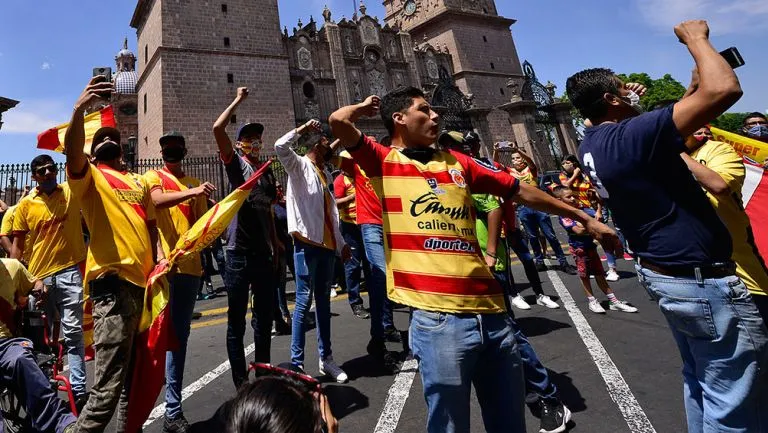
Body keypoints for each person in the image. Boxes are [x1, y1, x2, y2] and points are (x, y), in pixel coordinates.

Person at [329, 87, 618, 433]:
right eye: (424, 110)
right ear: (399, 119)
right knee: (450, 425)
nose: (435, 115)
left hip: (492, 312)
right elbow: (338, 121)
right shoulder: (382, 161)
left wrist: (583, 217)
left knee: (509, 422)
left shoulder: (459, 162)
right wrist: (363, 106)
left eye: (435, 109)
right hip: (439, 319)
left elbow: (519, 190)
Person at [566, 19, 767, 432]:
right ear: (610, 99)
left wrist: (688, 89)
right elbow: (724, 90)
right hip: (703, 283)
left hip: (666, 274)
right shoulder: (634, 135)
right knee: (735, 403)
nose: (631, 91)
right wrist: (696, 39)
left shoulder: (593, 143)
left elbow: (662, 122)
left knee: (701, 381)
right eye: (623, 88)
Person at [64, 76, 165, 432]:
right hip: (113, 287)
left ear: (123, 149)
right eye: (101, 140)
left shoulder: (138, 183)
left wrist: (161, 255)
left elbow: (152, 229)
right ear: (93, 152)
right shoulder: (89, 177)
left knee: (135, 385)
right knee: (106, 391)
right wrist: (79, 110)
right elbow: (72, 153)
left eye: (113, 140)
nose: (108, 142)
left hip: (145, 289)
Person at [142, 131, 215, 432]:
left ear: (184, 150)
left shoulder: (196, 185)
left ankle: (173, 410)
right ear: (161, 152)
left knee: (179, 339)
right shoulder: (151, 177)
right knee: (154, 339)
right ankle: (141, 403)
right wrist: (193, 194)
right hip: (161, 269)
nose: (171, 151)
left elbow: (202, 226)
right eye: (167, 147)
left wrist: (214, 206)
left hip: (189, 269)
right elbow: (157, 202)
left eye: (175, 147)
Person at [440, 131, 560, 310]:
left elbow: (511, 187)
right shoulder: (460, 169)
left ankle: (540, 293)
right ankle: (514, 294)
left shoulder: (489, 164)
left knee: (527, 259)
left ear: (478, 145)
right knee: (503, 265)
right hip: (489, 225)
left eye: (473, 144)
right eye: (467, 144)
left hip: (508, 221)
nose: (470, 147)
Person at [213, 87, 280, 389]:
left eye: (257, 137)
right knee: (236, 322)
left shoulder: (266, 172)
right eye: (248, 138)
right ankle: (241, 382)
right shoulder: (238, 167)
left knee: (264, 318)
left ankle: (263, 373)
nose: (254, 141)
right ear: (239, 144)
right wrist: (238, 100)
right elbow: (217, 129)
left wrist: (276, 245)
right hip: (237, 253)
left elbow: (267, 211)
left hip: (263, 254)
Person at [274, 119, 350, 383]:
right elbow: (279, 145)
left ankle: (326, 359)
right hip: (306, 243)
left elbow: (331, 215)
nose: (332, 146)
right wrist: (302, 129)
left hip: (327, 247)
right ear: (318, 144)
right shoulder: (298, 166)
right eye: (328, 142)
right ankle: (296, 363)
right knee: (304, 302)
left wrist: (341, 245)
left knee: (323, 303)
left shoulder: (325, 173)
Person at [10, 155, 89, 409]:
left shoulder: (70, 192)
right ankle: (44, 392)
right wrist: (15, 282)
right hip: (38, 280)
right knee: (38, 340)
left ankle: (78, 391)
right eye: (41, 170)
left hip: (69, 273)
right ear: (33, 176)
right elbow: (17, 249)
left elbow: (89, 178)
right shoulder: (25, 206)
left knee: (74, 334)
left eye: (50, 168)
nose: (47, 173)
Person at [682, 125, 768, 320]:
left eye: (705, 131)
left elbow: (720, 184)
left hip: (741, 275)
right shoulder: (653, 157)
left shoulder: (718, 150)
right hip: (689, 277)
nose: (703, 135)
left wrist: (675, 152)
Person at [336, 145, 401, 373]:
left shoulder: (390, 161)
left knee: (394, 279)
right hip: (369, 226)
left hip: (394, 224)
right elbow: (328, 156)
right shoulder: (353, 166)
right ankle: (379, 337)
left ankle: (385, 328)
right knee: (380, 276)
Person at [0, 258, 77, 433]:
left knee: (21, 359)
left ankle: (61, 423)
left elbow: (36, 282)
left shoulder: (12, 267)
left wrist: (39, 290)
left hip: (7, 344)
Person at [552, 187, 637, 314]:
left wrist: (597, 212)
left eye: (573, 196)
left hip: (590, 247)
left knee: (599, 273)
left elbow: (598, 216)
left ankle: (613, 301)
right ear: (559, 200)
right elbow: (578, 231)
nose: (573, 198)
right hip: (578, 248)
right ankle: (592, 301)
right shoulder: (564, 215)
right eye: (568, 197)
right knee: (584, 275)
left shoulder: (581, 210)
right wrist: (592, 224)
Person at [504, 148, 576, 274]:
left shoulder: (530, 169)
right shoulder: (511, 171)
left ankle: (563, 262)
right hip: (523, 207)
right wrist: (496, 151)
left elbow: (531, 161)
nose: (515, 160)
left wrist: (518, 150)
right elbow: (495, 165)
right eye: (513, 158)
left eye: (518, 157)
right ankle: (539, 261)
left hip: (539, 206)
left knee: (550, 235)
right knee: (532, 237)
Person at [559, 155, 621, 281]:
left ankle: (612, 269)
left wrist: (598, 211)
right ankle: (592, 268)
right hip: (578, 212)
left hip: (591, 209)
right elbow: (566, 186)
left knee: (604, 239)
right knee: (586, 242)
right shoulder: (564, 176)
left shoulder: (586, 176)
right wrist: (575, 174)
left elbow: (597, 195)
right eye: (564, 163)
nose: (566, 165)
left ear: (575, 163)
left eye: (568, 162)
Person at [333, 168, 371, 319]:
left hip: (366, 224)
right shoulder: (340, 181)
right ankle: (355, 302)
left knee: (370, 264)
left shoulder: (362, 176)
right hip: (350, 227)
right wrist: (353, 197)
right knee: (353, 266)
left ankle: (375, 298)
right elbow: (335, 203)